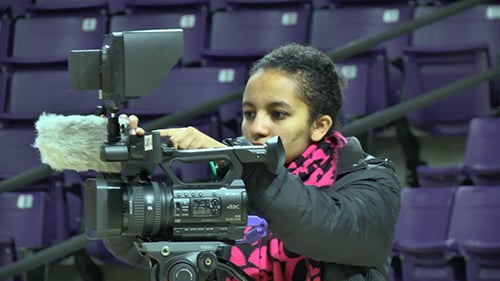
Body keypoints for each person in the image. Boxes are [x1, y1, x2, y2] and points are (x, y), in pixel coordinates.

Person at [125, 43, 401, 280]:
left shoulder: (368, 178)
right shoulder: (229, 177)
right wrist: (126, 176)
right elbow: (149, 250)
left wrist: (243, 167)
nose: (257, 128)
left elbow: (322, 228)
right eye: (249, 113)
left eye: (278, 114)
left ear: (319, 125)